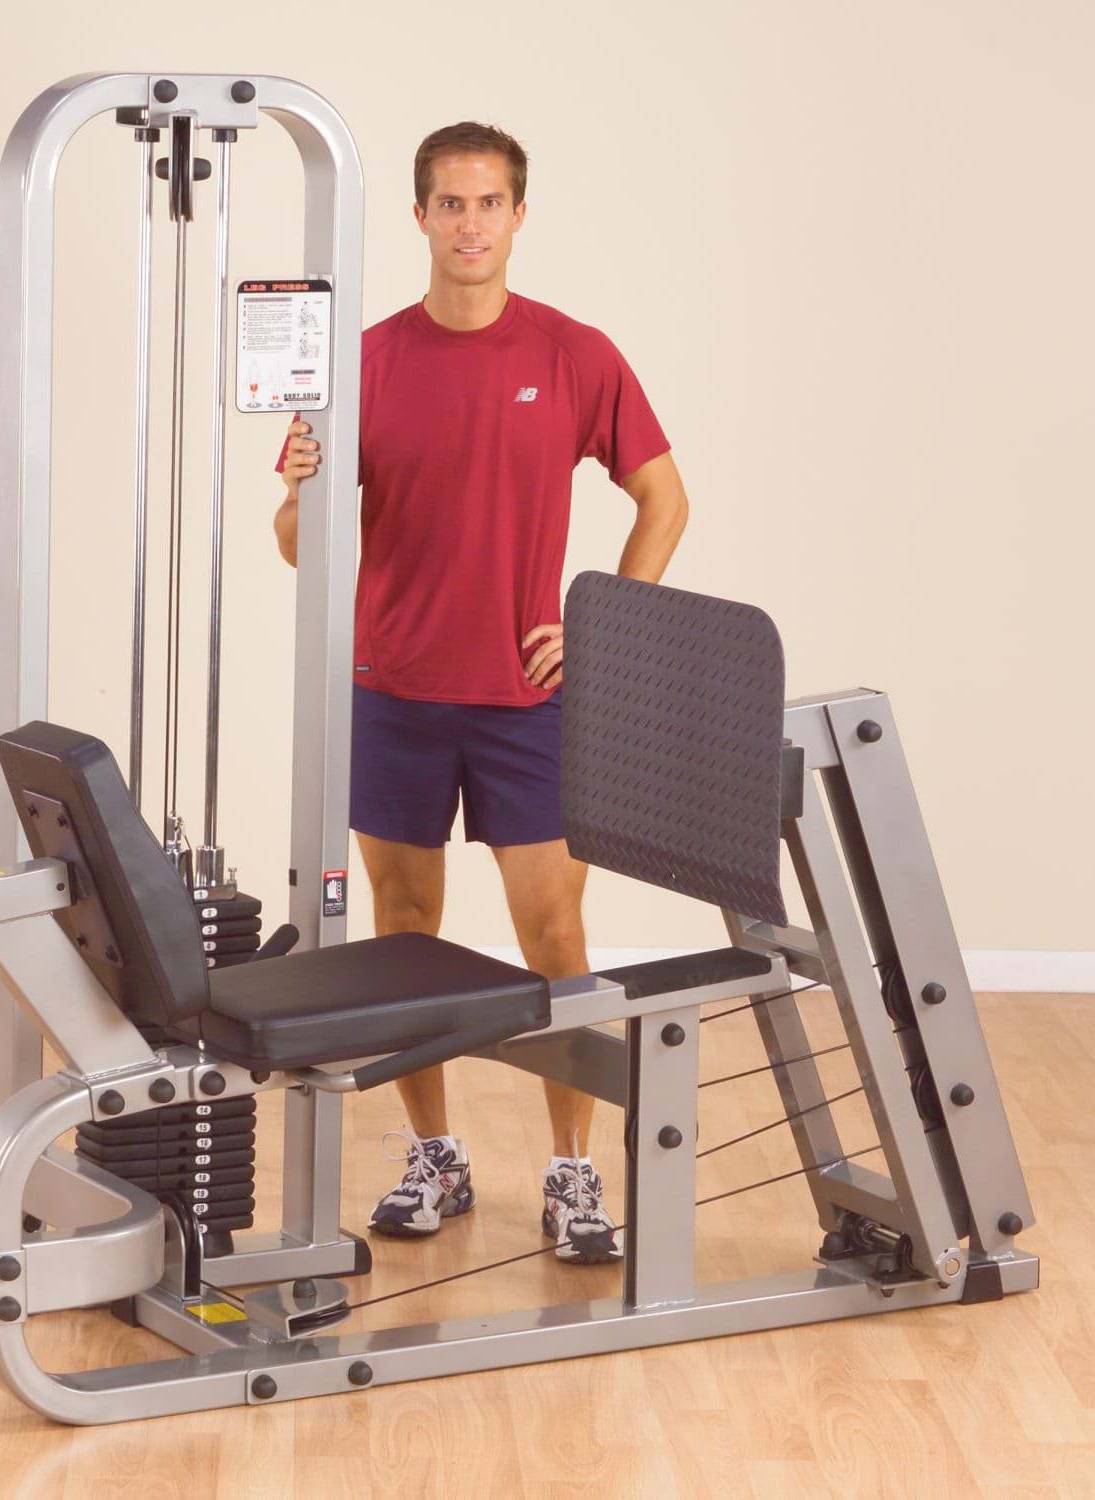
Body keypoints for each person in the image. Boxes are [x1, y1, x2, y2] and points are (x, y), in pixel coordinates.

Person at [272, 123, 688, 1263]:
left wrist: (601, 626)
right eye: (449, 204)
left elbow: (664, 499)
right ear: (419, 217)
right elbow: (299, 546)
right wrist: (303, 492)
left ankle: (572, 1170)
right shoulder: (365, 362)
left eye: (488, 203)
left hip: (527, 701)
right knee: (406, 934)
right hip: (393, 692)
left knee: (555, 932)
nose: (469, 224)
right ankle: (435, 1156)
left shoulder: (575, 354)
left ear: (518, 215)